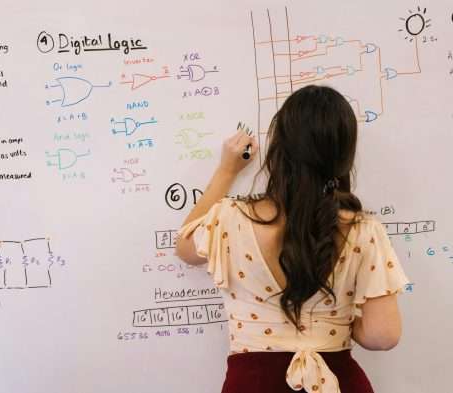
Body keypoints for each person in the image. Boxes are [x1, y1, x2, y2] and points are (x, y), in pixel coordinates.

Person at [175, 85, 410, 393]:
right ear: (343, 156)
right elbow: (384, 335)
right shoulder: (364, 230)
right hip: (338, 381)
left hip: (253, 383)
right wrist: (329, 327)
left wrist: (226, 170)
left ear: (278, 148)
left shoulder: (230, 219)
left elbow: (185, 246)